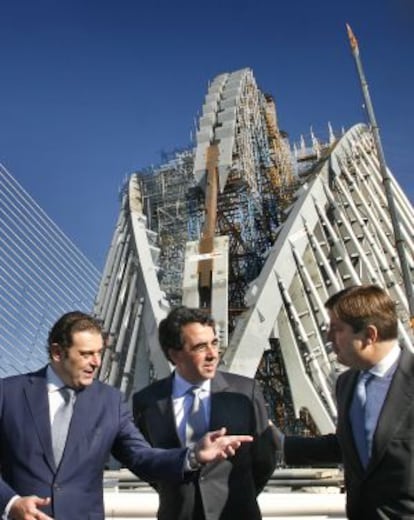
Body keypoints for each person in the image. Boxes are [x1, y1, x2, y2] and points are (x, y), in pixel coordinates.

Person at [0, 311, 253, 520]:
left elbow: (141, 456)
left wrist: (193, 456)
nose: (96, 362)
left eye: (100, 353)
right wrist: (11, 504)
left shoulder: (109, 401)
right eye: (86, 354)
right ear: (57, 353)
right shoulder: (7, 394)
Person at [273, 284, 414, 519]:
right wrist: (281, 443)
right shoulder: (346, 383)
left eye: (336, 329)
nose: (328, 338)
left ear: (370, 335)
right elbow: (351, 446)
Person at [133, 306, 276, 520]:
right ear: (174, 354)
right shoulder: (147, 401)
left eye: (214, 343)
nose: (212, 354)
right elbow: (147, 462)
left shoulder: (246, 393)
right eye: (200, 347)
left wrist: (239, 497)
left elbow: (265, 459)